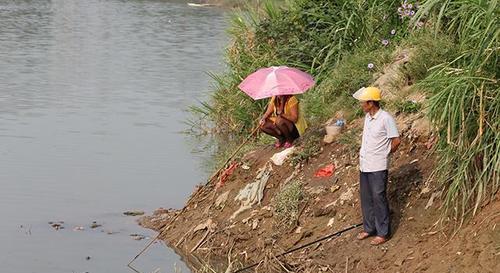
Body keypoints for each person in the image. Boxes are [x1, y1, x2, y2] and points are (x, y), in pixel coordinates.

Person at [352, 87, 401, 245]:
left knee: (378, 197)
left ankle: (383, 232)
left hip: (378, 165)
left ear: (371, 103)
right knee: (366, 197)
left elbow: (396, 141)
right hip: (365, 164)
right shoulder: (368, 117)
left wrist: (385, 153)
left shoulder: (385, 118)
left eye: (363, 103)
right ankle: (369, 227)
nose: (361, 106)